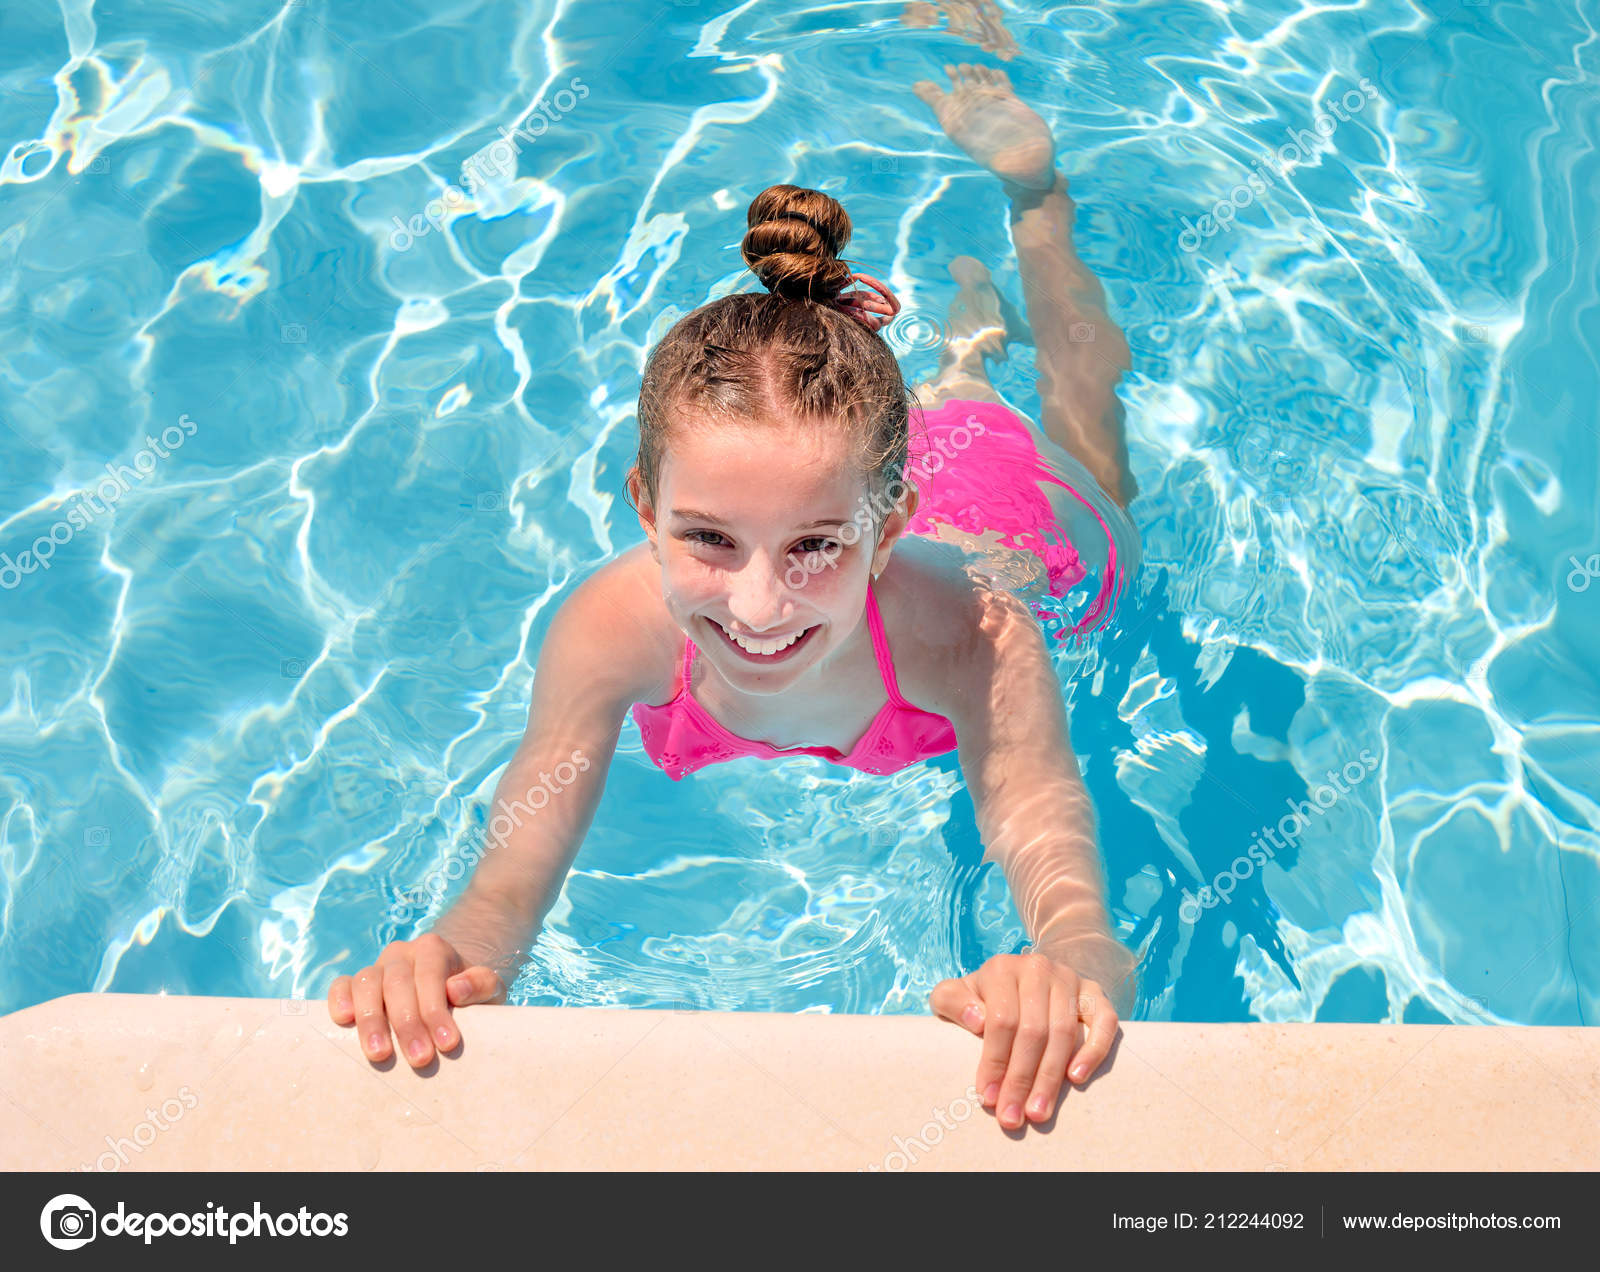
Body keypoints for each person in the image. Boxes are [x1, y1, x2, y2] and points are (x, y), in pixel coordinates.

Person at [329, 65, 1141, 1133]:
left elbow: (1064, 875)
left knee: (1086, 421)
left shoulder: (975, 635)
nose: (758, 607)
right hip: (866, 472)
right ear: (642, 505)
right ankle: (955, 361)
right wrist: (446, 962)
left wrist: (1064, 972)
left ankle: (1031, 208)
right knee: (936, 405)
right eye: (707, 539)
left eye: (812, 548)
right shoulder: (608, 631)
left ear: (888, 529)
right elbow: (502, 891)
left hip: (1006, 517)